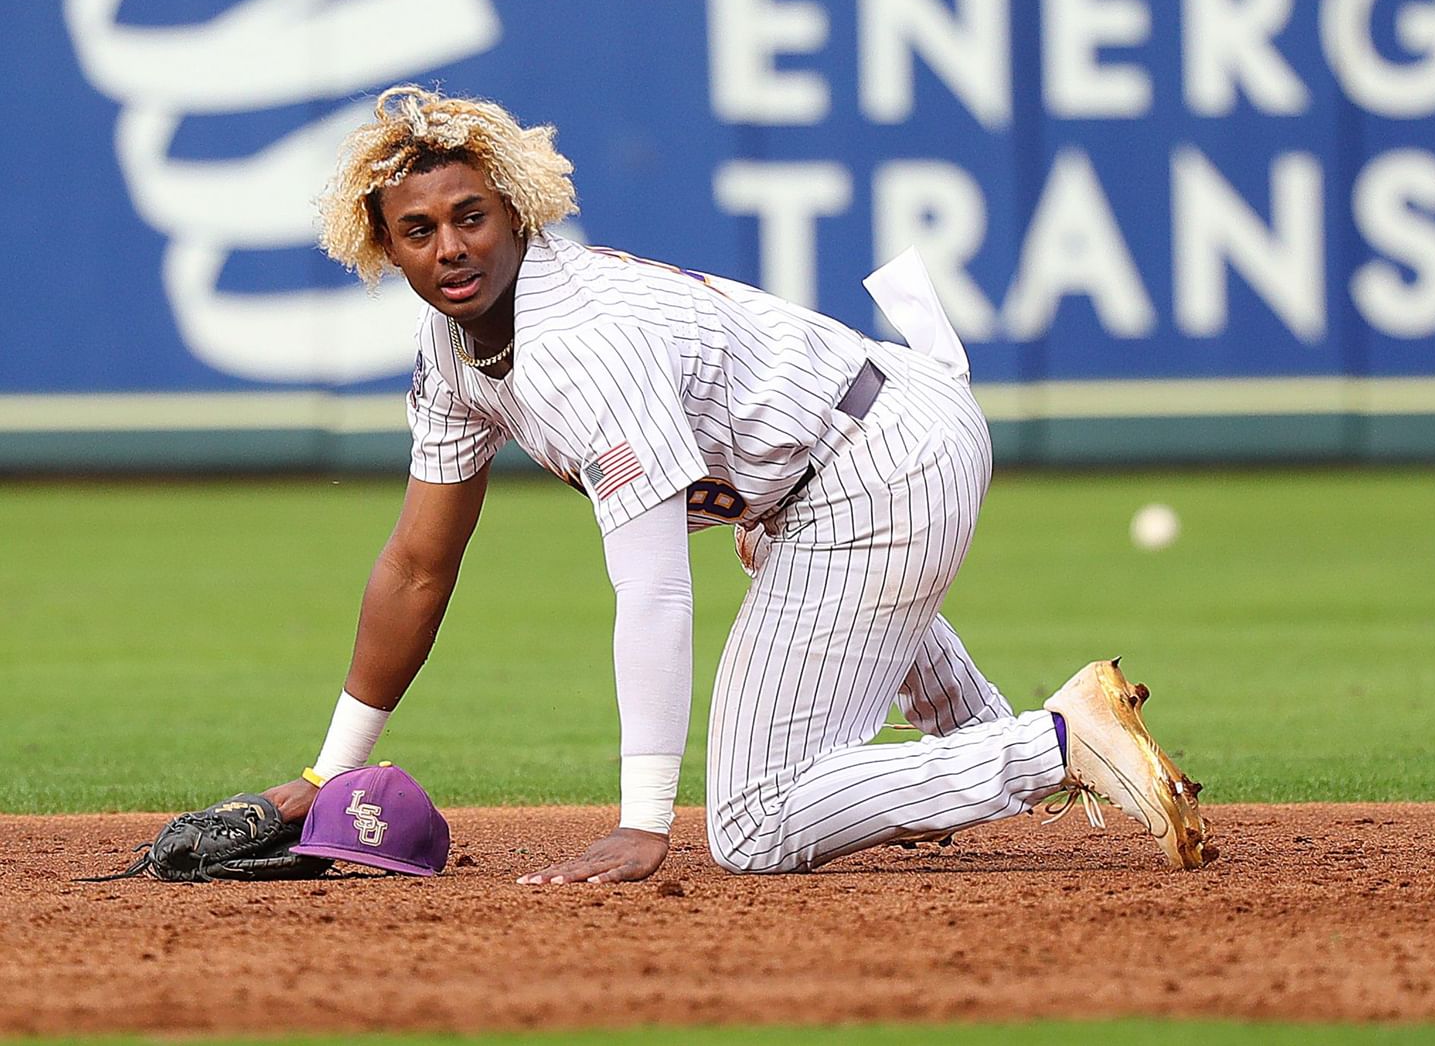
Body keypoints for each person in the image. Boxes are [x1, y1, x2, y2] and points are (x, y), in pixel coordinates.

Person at [263, 85, 1215, 882]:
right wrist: (325, 775)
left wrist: (645, 821)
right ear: (385, 249)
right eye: (418, 231)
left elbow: (653, 589)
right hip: (838, 463)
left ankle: (1054, 745)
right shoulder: (449, 349)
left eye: (470, 217)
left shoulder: (580, 342)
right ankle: (991, 744)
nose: (450, 248)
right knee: (780, 560)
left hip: (879, 462)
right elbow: (417, 567)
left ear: (516, 211)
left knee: (752, 826)